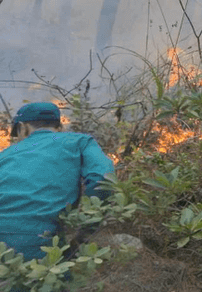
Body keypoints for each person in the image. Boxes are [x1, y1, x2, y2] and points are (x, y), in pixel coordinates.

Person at [0, 102, 115, 261]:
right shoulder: (79, 141)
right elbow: (103, 177)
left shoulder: (5, 154)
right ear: (59, 127)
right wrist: (86, 232)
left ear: (23, 128)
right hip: (42, 240)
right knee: (49, 280)